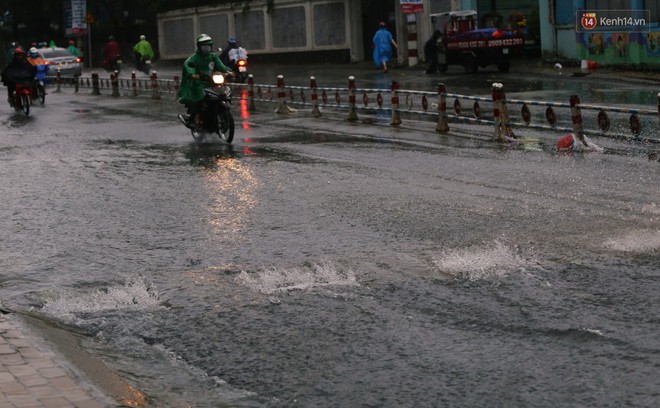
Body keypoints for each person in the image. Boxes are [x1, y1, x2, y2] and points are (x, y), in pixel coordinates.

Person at [177, 34, 234, 130]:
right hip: (198, 83)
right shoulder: (194, 58)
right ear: (199, 47)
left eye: (208, 47)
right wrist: (193, 74)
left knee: (225, 91)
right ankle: (196, 119)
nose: (206, 49)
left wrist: (229, 71)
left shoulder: (213, 56)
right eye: (204, 47)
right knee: (199, 96)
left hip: (211, 82)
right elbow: (188, 66)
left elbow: (221, 66)